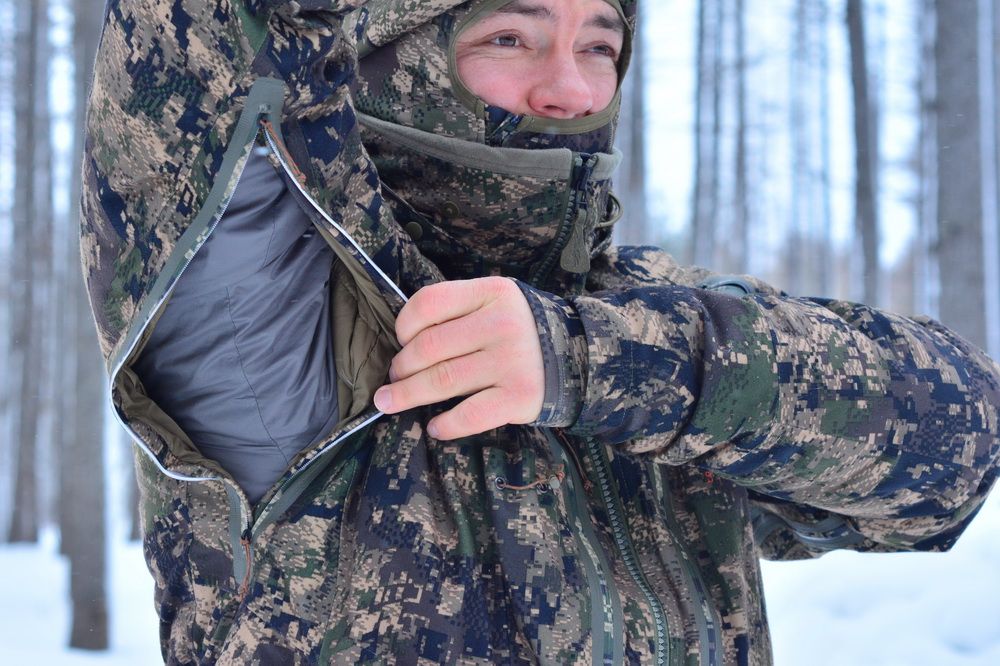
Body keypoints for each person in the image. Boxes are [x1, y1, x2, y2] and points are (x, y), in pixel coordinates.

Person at [80, 1, 1000, 664]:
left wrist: (593, 363)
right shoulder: (289, 313)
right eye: (509, 37)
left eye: (600, 44)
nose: (569, 88)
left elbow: (956, 444)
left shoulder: (640, 307)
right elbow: (204, 50)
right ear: (390, 53)